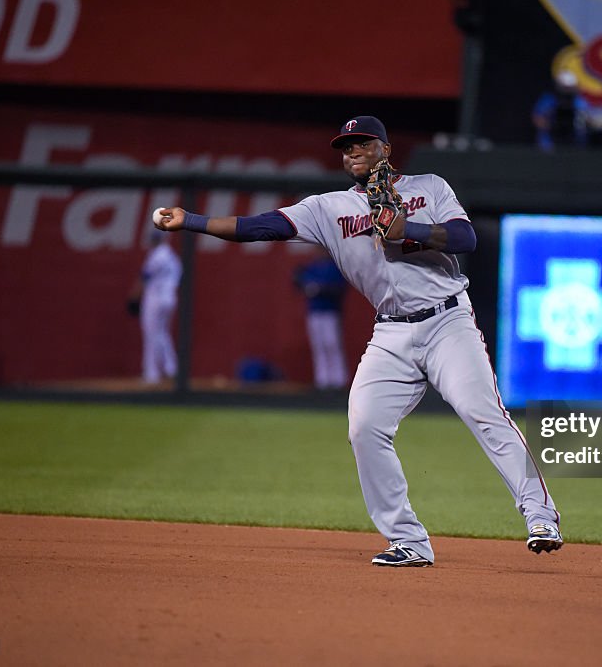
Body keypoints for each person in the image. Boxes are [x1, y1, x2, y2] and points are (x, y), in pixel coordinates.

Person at [153, 116, 562, 566]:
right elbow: (258, 227)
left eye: (361, 144)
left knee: (482, 412)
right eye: (345, 147)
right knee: (364, 426)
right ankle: (408, 540)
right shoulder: (327, 208)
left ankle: (540, 515)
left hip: (448, 321)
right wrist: (189, 220)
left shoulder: (429, 186)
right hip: (390, 332)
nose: (351, 152)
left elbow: (466, 237)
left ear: (385, 149)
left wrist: (411, 230)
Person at [294, 249, 349, 390]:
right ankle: (323, 381)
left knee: (332, 345)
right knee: (319, 346)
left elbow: (339, 288)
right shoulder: (312, 267)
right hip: (314, 312)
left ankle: (338, 380)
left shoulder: (334, 267)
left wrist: (320, 289)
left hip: (330, 312)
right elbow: (298, 280)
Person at [133, 230, 182, 385]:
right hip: (170, 297)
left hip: (155, 297)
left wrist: (135, 295)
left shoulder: (156, 255)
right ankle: (171, 368)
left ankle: (151, 374)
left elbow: (145, 277)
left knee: (151, 334)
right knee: (162, 333)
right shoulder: (173, 258)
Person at [532, 70, 591, 152]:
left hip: (575, 144)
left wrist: (578, 123)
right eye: (564, 88)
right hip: (549, 145)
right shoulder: (548, 100)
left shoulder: (580, 102)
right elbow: (537, 119)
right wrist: (553, 126)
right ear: (558, 86)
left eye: (569, 88)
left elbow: (588, 121)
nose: (567, 91)